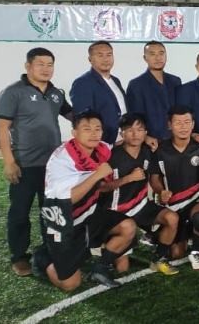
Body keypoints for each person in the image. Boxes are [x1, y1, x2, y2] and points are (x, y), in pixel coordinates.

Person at [35, 111, 136, 291]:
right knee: (70, 284)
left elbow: (118, 145)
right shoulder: (61, 159)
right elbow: (68, 198)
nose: (93, 133)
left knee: (127, 227)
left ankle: (100, 268)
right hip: (64, 221)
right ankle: (42, 258)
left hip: (89, 214)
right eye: (86, 129)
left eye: (97, 129)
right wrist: (97, 174)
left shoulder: (102, 148)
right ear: (74, 133)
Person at [0, 47, 72, 276]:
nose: (46, 69)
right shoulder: (13, 92)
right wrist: (9, 161)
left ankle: (49, 252)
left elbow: (74, 117)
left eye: (50, 64)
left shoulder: (57, 93)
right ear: (28, 66)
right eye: (40, 64)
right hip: (25, 164)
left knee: (49, 212)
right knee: (19, 213)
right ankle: (19, 257)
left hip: (52, 168)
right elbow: (2, 129)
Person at [100, 113, 179, 276]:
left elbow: (153, 179)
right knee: (122, 268)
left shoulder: (148, 152)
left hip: (140, 206)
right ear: (121, 133)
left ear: (145, 132)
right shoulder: (111, 155)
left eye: (140, 129)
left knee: (172, 218)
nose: (135, 134)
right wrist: (128, 178)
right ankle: (103, 260)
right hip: (116, 212)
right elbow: (101, 188)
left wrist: (160, 191)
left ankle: (159, 258)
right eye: (129, 130)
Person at [148, 106, 199, 270]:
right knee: (176, 253)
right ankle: (172, 235)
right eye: (178, 123)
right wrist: (160, 191)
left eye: (187, 122)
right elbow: (154, 178)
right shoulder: (160, 149)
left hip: (196, 200)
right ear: (169, 125)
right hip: (173, 205)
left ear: (193, 125)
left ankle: (196, 250)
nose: (183, 127)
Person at [126, 41, 181, 150]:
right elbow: (134, 117)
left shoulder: (175, 81)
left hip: (176, 140)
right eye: (152, 54)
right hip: (151, 142)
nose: (158, 58)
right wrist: (145, 137)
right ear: (145, 58)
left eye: (161, 53)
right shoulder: (136, 84)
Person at [70, 41, 127, 144]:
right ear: (90, 59)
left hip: (122, 142)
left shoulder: (116, 81)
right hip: (102, 144)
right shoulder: (83, 83)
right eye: (100, 55)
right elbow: (83, 120)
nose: (105, 59)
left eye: (109, 55)